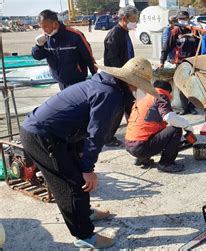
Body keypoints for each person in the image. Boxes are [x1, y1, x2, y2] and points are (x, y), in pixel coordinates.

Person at [20, 57, 159, 249]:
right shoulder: (109, 94)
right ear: (130, 82)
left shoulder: (107, 84)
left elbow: (88, 129)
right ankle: (85, 236)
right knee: (70, 185)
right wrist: (88, 168)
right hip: (41, 136)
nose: (137, 90)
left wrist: (83, 164)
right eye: (137, 86)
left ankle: (84, 212)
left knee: (79, 178)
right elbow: (96, 135)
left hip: (61, 134)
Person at [125, 80, 193, 172]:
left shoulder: (143, 99)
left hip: (129, 145)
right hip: (141, 147)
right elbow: (169, 116)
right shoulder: (160, 95)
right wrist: (187, 126)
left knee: (158, 129)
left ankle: (143, 158)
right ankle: (166, 163)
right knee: (175, 129)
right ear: (168, 91)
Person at [32, 9, 97, 90]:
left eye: (45, 27)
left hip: (77, 81)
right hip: (61, 82)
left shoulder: (74, 35)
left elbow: (88, 56)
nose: (44, 30)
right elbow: (38, 57)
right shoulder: (46, 38)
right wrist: (39, 45)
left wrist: (95, 76)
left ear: (55, 23)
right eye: (42, 27)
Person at [103, 5, 139, 147]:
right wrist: (126, 80)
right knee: (119, 108)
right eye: (133, 20)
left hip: (126, 76)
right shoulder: (114, 35)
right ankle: (108, 137)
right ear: (124, 19)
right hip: (117, 78)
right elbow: (114, 62)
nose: (135, 23)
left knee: (130, 106)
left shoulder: (124, 32)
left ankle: (135, 131)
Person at [159, 11, 200, 115]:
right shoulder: (175, 32)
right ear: (177, 20)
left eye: (184, 19)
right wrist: (162, 61)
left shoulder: (194, 31)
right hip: (180, 63)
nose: (182, 21)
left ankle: (192, 107)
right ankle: (183, 108)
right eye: (180, 19)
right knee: (181, 86)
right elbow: (166, 47)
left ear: (188, 19)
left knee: (193, 85)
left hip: (192, 62)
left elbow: (200, 45)